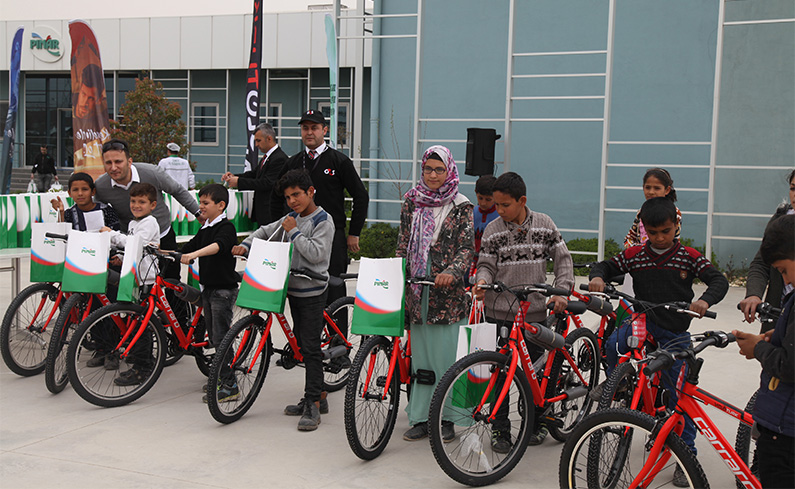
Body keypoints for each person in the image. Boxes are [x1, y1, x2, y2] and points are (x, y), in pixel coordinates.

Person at [588, 197, 729, 487]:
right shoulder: (635, 255)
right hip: (644, 324)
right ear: (644, 231)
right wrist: (597, 278)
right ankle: (620, 383)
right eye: (653, 233)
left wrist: (703, 300)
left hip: (675, 334)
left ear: (676, 226)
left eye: (665, 231)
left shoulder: (688, 256)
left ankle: (685, 453)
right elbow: (604, 265)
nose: (660, 238)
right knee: (614, 343)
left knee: (680, 397)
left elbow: (719, 280)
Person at [474, 171, 574, 450]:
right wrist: (482, 281)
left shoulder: (545, 224)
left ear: (522, 201)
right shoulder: (493, 230)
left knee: (536, 373)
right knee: (499, 373)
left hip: (535, 313)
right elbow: (486, 264)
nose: (500, 210)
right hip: (498, 312)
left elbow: (563, 259)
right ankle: (500, 429)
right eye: (496, 205)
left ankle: (537, 421)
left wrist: (562, 292)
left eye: (506, 205)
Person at [233, 169, 334, 431]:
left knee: (310, 347)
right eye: (288, 197)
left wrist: (294, 233)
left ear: (311, 192)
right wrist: (246, 244)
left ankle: (312, 402)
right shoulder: (290, 218)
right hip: (290, 288)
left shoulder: (323, 220)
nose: (292, 201)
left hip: (312, 291)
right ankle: (319, 394)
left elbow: (316, 254)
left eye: (297, 195)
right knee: (301, 342)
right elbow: (265, 231)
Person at [396, 145, 474, 443]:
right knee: (421, 361)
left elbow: (467, 248)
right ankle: (420, 417)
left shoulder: (461, 205)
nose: (432, 175)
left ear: (449, 170)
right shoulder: (411, 201)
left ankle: (448, 418)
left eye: (439, 169)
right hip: (417, 291)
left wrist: (452, 273)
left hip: (446, 296)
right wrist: (398, 273)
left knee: (446, 359)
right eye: (428, 169)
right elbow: (403, 243)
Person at [271, 110, 369, 341]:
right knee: (298, 287)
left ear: (324, 130)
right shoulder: (293, 162)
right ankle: (301, 344)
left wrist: (354, 232)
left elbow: (360, 196)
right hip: (298, 234)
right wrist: (277, 231)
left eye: (314, 128)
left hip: (331, 236)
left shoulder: (338, 161)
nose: (309, 132)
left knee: (334, 287)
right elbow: (276, 197)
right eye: (305, 128)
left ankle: (339, 345)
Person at [732, 214, 794, 489]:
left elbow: (790, 366)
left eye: (782, 270)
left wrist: (758, 348)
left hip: (786, 431)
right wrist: (779, 336)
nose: (784, 278)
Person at [174, 184, 239, 403]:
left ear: (221, 206)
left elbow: (218, 246)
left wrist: (194, 254)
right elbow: (188, 246)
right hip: (208, 289)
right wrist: (161, 249)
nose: (200, 207)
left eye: (205, 203)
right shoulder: (206, 227)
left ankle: (230, 385)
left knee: (221, 337)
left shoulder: (227, 228)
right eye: (200, 202)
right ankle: (221, 377)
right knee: (213, 336)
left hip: (223, 290)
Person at [99, 182, 162, 384]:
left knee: (141, 324)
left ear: (152, 205)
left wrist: (112, 235)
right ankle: (140, 358)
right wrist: (120, 255)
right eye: (133, 201)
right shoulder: (134, 223)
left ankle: (143, 368)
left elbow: (136, 243)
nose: (136, 205)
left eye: (141, 202)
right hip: (134, 276)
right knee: (134, 322)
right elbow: (132, 250)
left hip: (147, 279)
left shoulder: (150, 222)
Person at [739, 169, 795, 331]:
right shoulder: (781, 221)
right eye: (793, 188)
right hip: (779, 315)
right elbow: (761, 263)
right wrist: (754, 294)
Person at [222, 123, 288, 226]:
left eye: (258, 141)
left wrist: (239, 182)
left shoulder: (279, 158)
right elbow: (255, 174)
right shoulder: (267, 157)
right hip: (263, 211)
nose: (256, 145)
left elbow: (267, 183)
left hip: (271, 212)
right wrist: (234, 176)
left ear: (269, 139)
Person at [624, 168, 682, 248]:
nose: (651, 192)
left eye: (657, 188)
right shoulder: (641, 212)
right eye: (647, 187)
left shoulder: (674, 212)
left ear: (667, 190)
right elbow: (629, 238)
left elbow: (675, 243)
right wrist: (637, 251)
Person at [470, 174, 499, 279]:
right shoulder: (471, 213)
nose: (483, 203)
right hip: (471, 261)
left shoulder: (500, 216)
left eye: (488, 199)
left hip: (492, 264)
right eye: (480, 198)